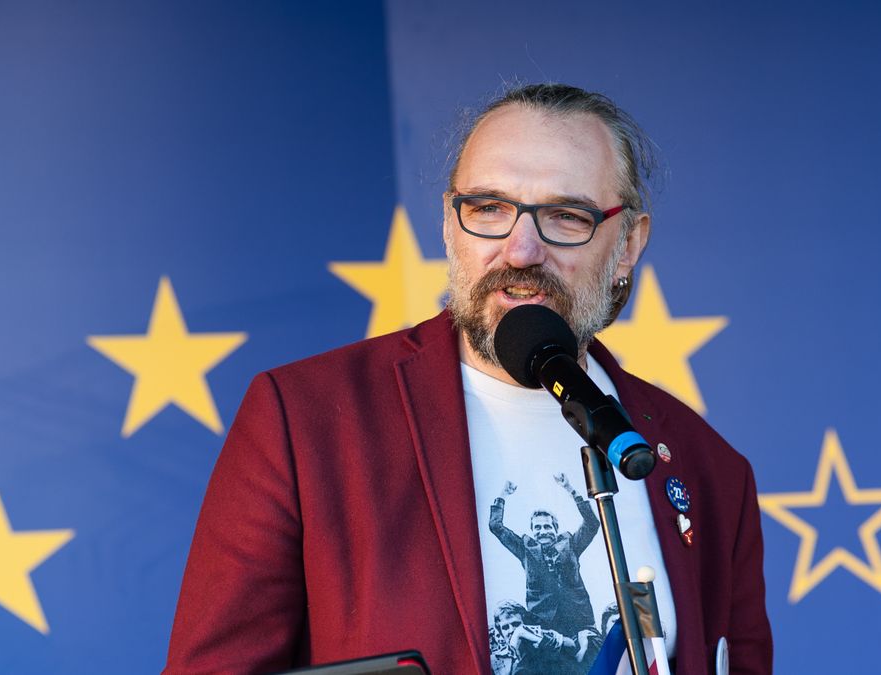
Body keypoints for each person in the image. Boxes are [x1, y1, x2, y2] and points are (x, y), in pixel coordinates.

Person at [164, 83, 772, 674]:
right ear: (451, 225)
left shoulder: (708, 470)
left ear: (629, 245)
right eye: (489, 209)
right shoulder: (304, 420)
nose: (520, 249)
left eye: (565, 216)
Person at [489, 475, 599, 638]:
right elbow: (495, 526)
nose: (542, 531)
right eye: (537, 528)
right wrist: (503, 495)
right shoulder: (525, 549)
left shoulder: (571, 544)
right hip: (544, 624)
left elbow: (592, 523)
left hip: (579, 618)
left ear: (555, 529)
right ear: (533, 531)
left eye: (547, 526)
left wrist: (571, 490)